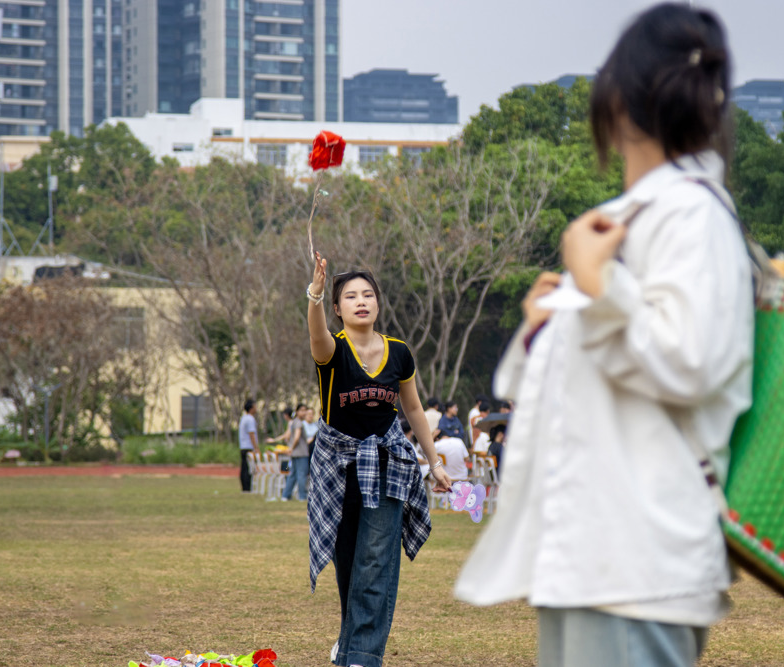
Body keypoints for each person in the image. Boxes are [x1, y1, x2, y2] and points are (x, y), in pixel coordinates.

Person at [454, 5, 754, 666]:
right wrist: (545, 325)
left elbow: (690, 361)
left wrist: (597, 289)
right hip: (591, 552)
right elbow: (539, 389)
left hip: (635, 557)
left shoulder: (691, 216)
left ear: (617, 101)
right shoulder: (633, 219)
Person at [306, 255, 453, 667]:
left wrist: (434, 461)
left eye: (368, 294)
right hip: (337, 466)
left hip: (387, 463)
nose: (361, 302)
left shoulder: (400, 353)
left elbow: (415, 409)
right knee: (350, 561)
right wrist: (315, 293)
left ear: (378, 303)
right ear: (338, 309)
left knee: (376, 560)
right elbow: (315, 331)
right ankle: (349, 640)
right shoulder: (332, 350)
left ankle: (362, 656)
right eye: (350, 296)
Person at [281, 404, 309, 502]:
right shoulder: (299, 423)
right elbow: (297, 437)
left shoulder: (294, 422)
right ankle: (302, 496)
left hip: (295, 453)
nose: (304, 412)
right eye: (302, 410)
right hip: (301, 453)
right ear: (296, 412)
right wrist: (291, 448)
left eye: (305, 410)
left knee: (292, 474)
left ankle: (285, 495)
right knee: (301, 474)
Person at [238, 398, 260, 493]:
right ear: (251, 408)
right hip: (248, 447)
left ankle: (244, 487)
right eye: (255, 406)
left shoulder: (244, 418)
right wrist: (256, 448)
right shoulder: (250, 419)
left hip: (243, 446)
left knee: (244, 468)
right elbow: (252, 434)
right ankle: (247, 488)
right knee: (248, 469)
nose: (256, 408)